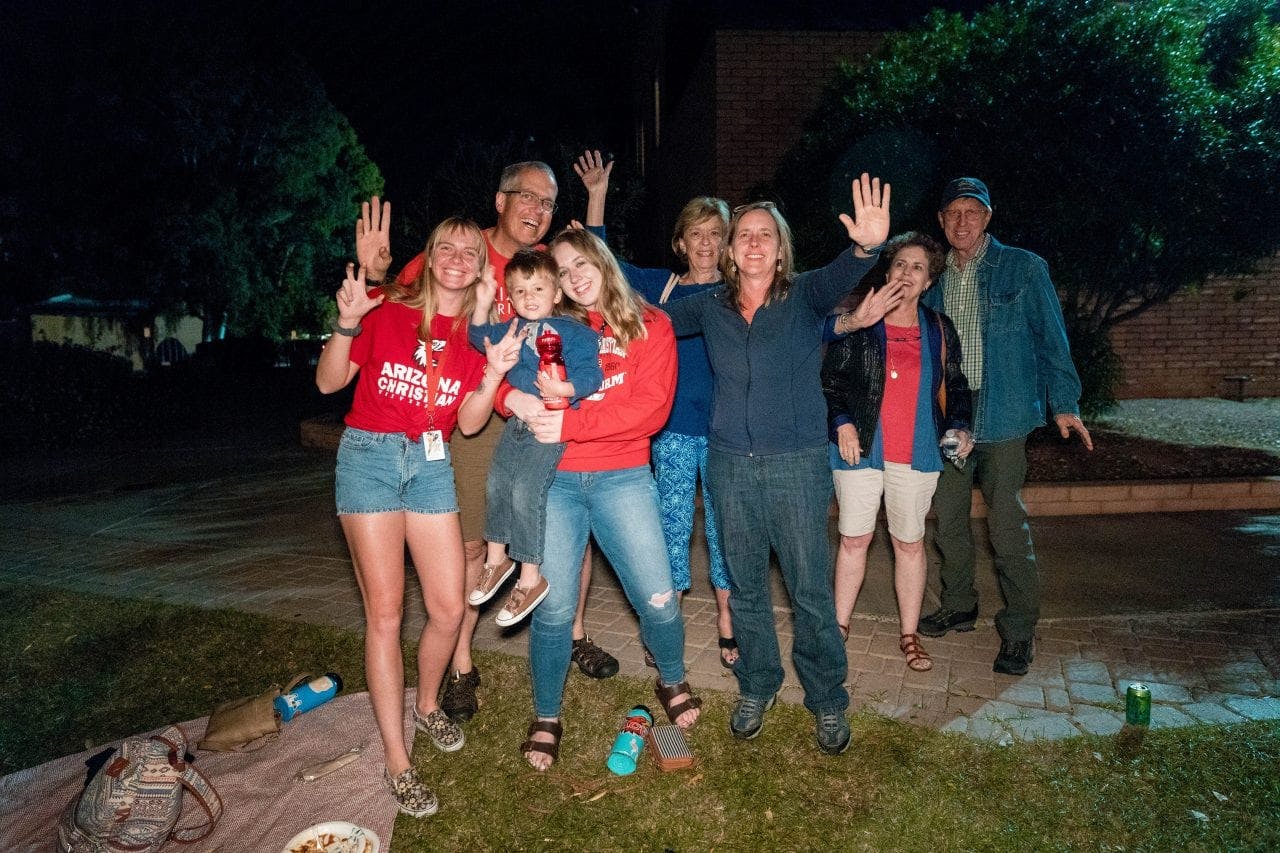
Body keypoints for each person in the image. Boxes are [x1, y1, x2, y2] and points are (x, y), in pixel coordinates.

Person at [355, 168, 619, 727]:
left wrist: (596, 201)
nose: (538, 209)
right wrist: (376, 274)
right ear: (500, 200)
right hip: (476, 413)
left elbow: (599, 272)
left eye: (548, 202)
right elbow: (397, 307)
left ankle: (572, 632)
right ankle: (461, 662)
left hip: (547, 413)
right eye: (528, 197)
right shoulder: (463, 251)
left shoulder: (546, 262)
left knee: (566, 526)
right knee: (474, 541)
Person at [660, 174, 901, 755]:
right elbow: (648, 320)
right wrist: (590, 283)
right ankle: (757, 684)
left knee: (809, 589)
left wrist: (867, 247)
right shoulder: (710, 307)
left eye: (764, 234)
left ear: (780, 248)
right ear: (729, 249)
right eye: (743, 234)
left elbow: (843, 274)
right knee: (744, 586)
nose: (753, 242)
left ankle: (827, 697)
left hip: (796, 464)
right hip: (729, 465)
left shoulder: (805, 296)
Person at [316, 217, 521, 817]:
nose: (457, 257)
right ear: (429, 258)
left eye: (469, 251)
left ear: (482, 267)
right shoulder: (385, 308)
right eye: (445, 248)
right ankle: (397, 760)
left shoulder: (476, 333)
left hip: (431, 463)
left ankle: (426, 705)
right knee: (385, 614)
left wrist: (492, 372)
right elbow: (329, 382)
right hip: (370, 458)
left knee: (450, 608)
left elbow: (470, 424)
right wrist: (346, 323)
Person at [504, 228, 701, 770]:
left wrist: (571, 423)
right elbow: (500, 371)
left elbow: (650, 410)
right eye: (563, 270)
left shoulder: (652, 324)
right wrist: (510, 396)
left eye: (581, 263)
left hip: (623, 477)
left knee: (658, 596)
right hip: (555, 481)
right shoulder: (550, 326)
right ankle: (547, 715)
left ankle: (671, 678)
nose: (574, 277)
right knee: (554, 607)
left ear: (603, 260)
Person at [918, 177, 1093, 676]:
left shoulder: (1024, 267)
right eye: (953, 213)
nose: (962, 222)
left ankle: (1018, 630)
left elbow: (1052, 339)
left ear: (988, 217)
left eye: (972, 212)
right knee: (949, 519)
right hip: (950, 415)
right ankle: (959, 604)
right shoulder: (934, 277)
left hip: (1005, 410)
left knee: (1006, 525)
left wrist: (1064, 402)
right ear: (941, 220)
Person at [574, 149, 738, 667]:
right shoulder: (658, 288)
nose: (706, 243)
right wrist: (598, 196)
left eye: (716, 234)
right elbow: (604, 263)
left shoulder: (741, 292)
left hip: (726, 432)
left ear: (727, 243)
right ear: (680, 242)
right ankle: (669, 623)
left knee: (725, 529)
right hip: (670, 431)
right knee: (669, 529)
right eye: (697, 234)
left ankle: (728, 620)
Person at [821, 232, 972, 673]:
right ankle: (838, 628)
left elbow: (956, 385)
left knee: (909, 544)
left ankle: (909, 635)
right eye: (900, 264)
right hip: (860, 449)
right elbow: (831, 381)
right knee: (854, 540)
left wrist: (960, 425)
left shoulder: (939, 328)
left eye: (917, 267)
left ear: (929, 281)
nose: (907, 273)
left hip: (917, 451)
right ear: (887, 271)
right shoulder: (862, 319)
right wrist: (841, 422)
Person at [466, 248, 603, 626]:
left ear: (557, 293)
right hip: (517, 424)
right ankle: (497, 560)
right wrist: (482, 304)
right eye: (520, 291)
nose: (529, 298)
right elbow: (478, 337)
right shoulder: (512, 328)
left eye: (538, 289)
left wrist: (566, 389)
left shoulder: (575, 333)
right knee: (497, 482)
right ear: (510, 297)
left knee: (527, 491)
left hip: (550, 424)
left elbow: (592, 375)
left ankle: (530, 578)